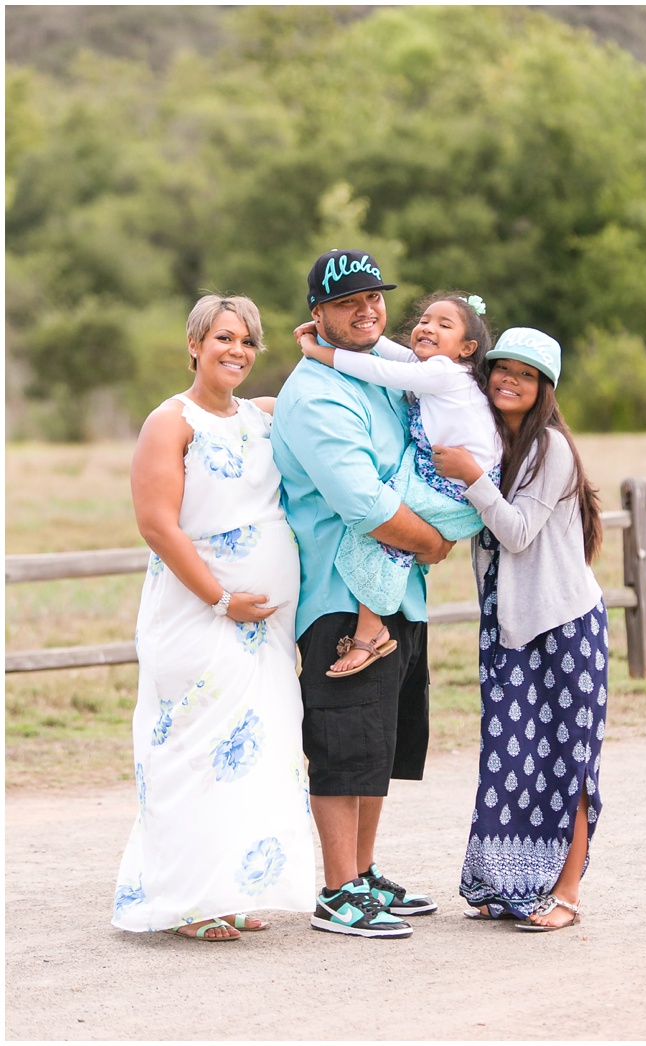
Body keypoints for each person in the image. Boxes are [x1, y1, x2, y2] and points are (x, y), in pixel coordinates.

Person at [112, 294, 316, 942]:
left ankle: (232, 886)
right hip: (199, 615)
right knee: (196, 749)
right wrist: (221, 600)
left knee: (257, 751)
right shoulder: (170, 422)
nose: (237, 351)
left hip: (267, 630)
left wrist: (326, 347)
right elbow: (157, 525)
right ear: (195, 344)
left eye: (249, 341)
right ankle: (188, 901)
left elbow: (326, 397)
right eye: (224, 337)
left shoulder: (262, 418)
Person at [271, 249, 454, 938]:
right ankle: (337, 890)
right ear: (317, 313)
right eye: (348, 302)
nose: (366, 310)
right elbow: (364, 504)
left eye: (374, 297)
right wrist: (435, 543)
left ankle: (366, 872)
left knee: (380, 745)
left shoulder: (383, 369)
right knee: (344, 743)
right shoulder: (316, 394)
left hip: (398, 594)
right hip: (341, 600)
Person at [431, 327, 607, 932]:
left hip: (564, 625)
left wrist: (470, 477)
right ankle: (503, 884)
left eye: (526, 375)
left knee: (569, 760)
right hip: (507, 626)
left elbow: (517, 532)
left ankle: (566, 894)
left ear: (544, 389)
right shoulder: (492, 439)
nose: (509, 380)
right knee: (511, 757)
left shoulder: (551, 448)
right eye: (502, 368)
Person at [295, 291, 501, 677]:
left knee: (383, 520)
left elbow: (377, 370)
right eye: (425, 319)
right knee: (390, 520)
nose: (427, 327)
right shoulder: (438, 369)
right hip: (444, 480)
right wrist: (345, 333)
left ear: (467, 348)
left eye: (444, 324)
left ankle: (371, 629)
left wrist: (315, 350)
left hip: (457, 491)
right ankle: (380, 613)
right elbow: (385, 352)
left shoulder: (443, 373)